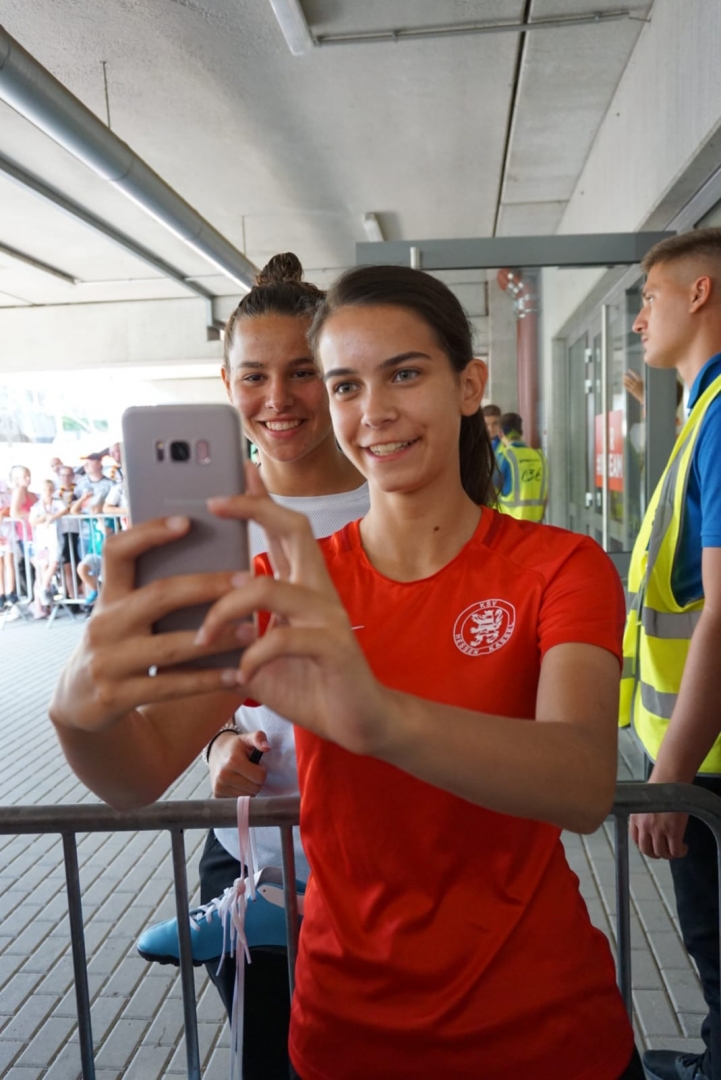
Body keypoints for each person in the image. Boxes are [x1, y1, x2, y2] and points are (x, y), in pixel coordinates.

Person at [51, 264, 643, 1080]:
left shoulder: (557, 567)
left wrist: (381, 718)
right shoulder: (291, 584)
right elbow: (137, 774)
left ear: (467, 385)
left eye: (404, 373)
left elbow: (579, 783)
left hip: (543, 1026)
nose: (375, 411)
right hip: (345, 1029)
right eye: (345, 386)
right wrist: (80, 715)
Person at [135, 252, 368, 1080]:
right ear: (224, 382)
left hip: (383, 855)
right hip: (251, 859)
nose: (278, 400)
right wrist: (216, 745)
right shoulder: (204, 522)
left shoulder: (402, 502)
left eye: (303, 372)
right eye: (253, 376)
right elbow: (195, 691)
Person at [619, 228, 721, 1080]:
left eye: (647, 297)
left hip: (709, 765)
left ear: (698, 293)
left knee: (716, 947)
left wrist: (671, 775)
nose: (636, 319)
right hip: (703, 756)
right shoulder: (701, 414)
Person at [495, 411, 549, 521]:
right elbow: (545, 494)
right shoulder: (540, 457)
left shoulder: (504, 457)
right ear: (521, 432)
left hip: (510, 525)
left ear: (500, 434)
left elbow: (490, 491)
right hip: (535, 523)